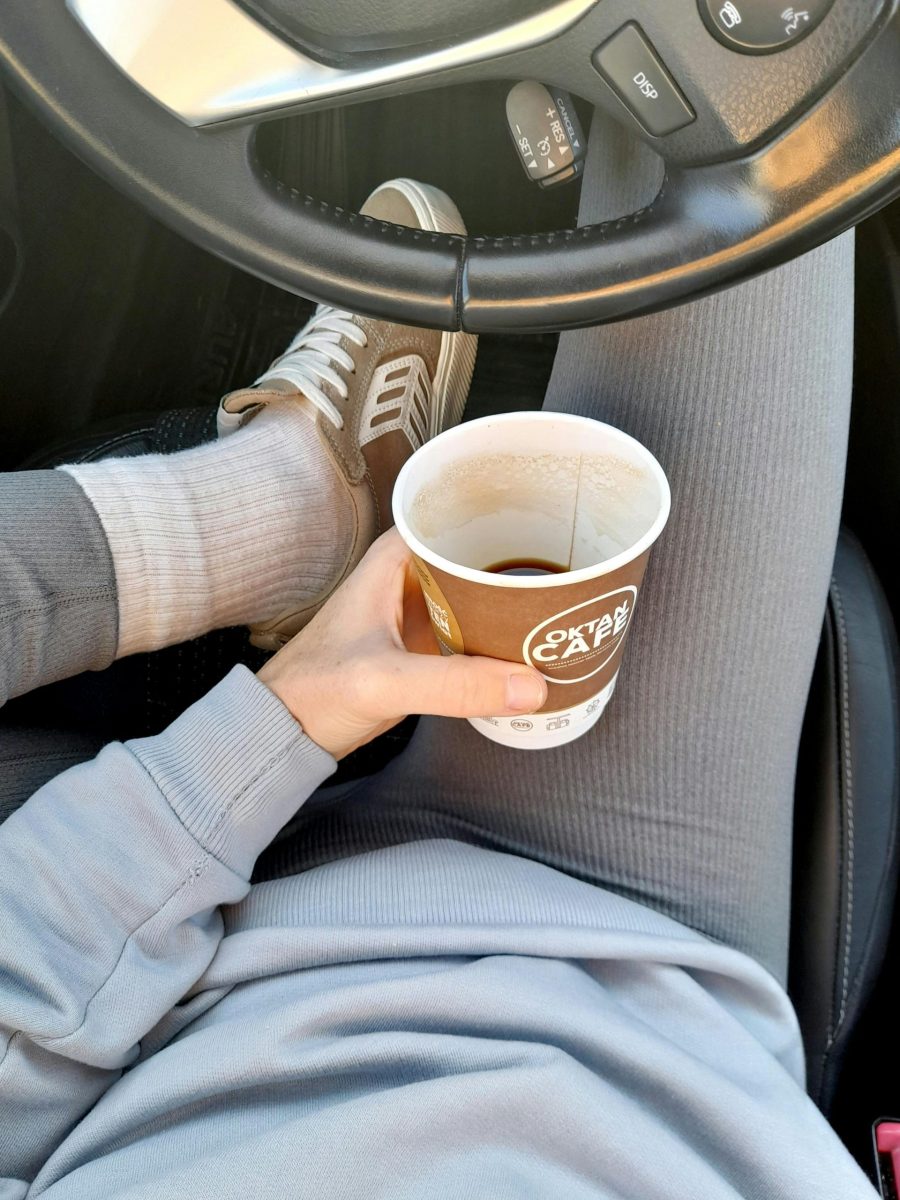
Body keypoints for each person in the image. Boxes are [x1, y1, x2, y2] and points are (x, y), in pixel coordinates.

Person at [0, 117, 878, 1198]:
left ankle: (271, 521)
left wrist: (281, 723)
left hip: (180, 983)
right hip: (648, 963)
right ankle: (281, 520)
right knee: (771, 107)